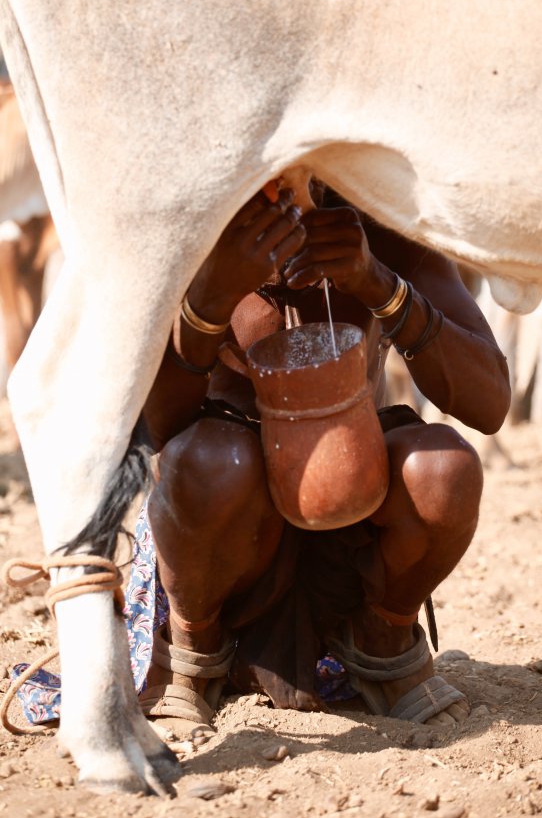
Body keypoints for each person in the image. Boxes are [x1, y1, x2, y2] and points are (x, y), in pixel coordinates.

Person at [137, 180, 511, 730]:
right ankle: (193, 656)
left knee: (443, 471)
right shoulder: (195, 230)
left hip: (355, 511)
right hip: (223, 534)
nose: (288, 181)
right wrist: (212, 296)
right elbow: (158, 430)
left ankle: (382, 646)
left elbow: (490, 403)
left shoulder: (381, 227)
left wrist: (377, 282)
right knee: (213, 464)